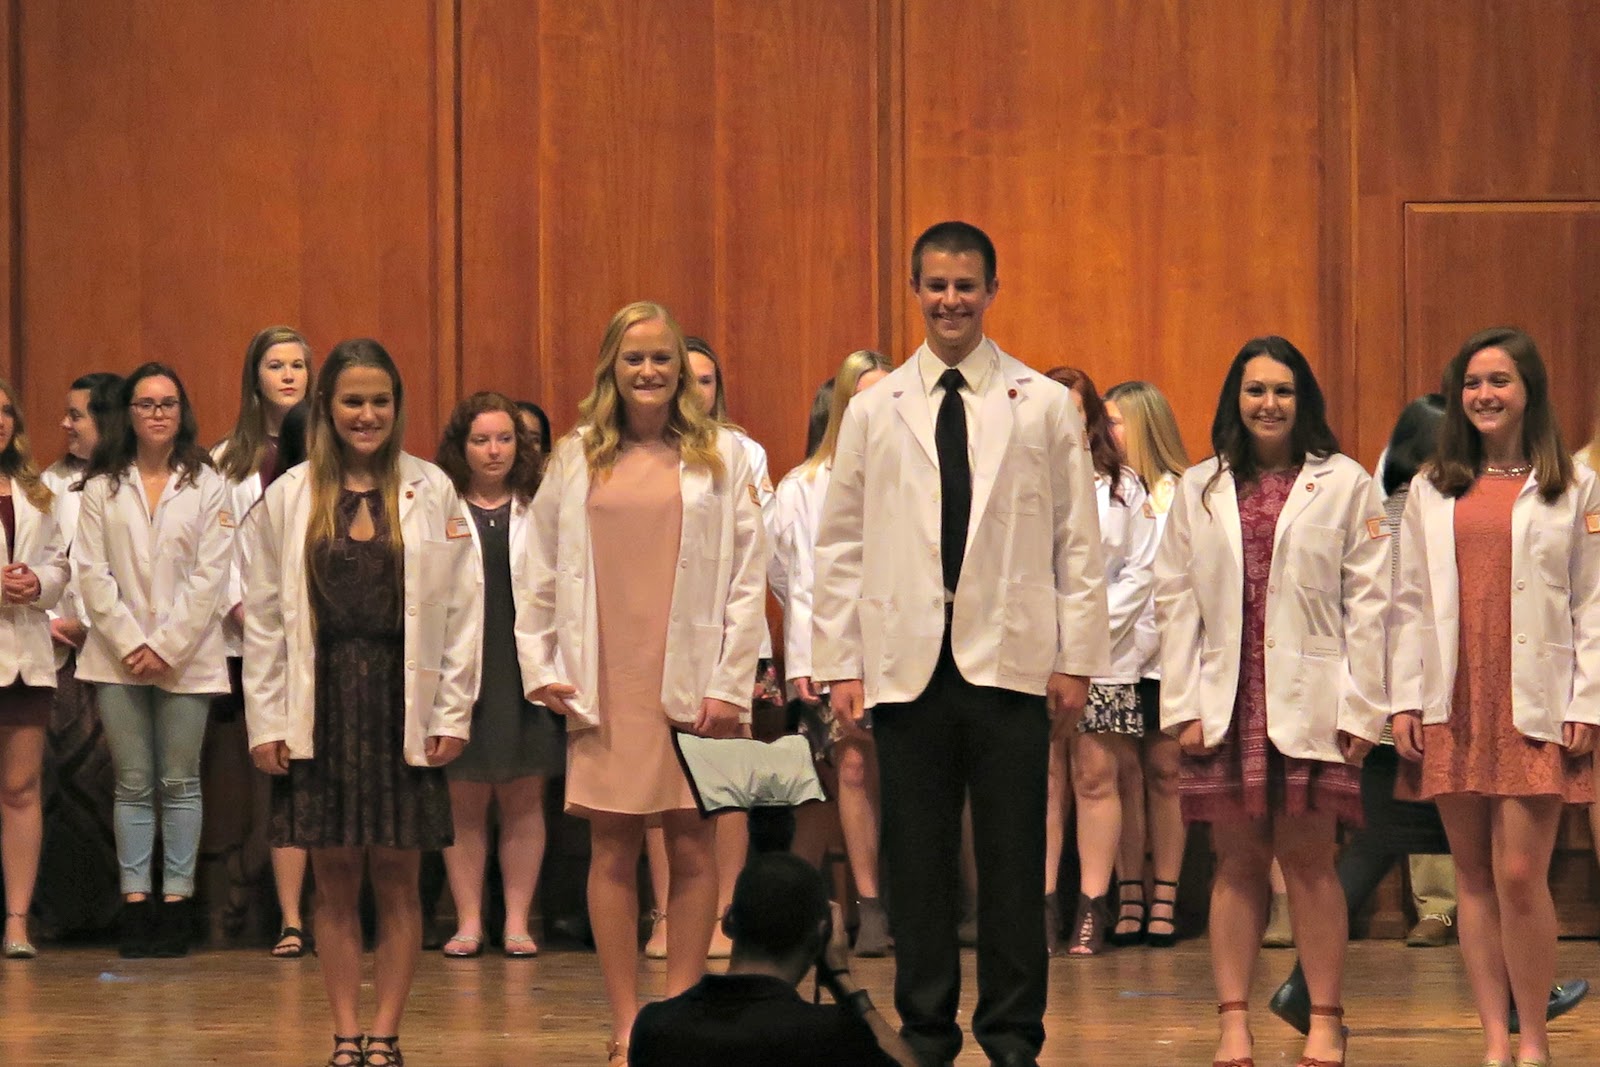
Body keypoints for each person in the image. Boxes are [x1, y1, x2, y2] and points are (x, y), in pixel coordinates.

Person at [812, 220, 1111, 1067]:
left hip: (1011, 664)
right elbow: (838, 545)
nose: (951, 299)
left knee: (1015, 862)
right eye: (936, 285)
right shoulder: (874, 409)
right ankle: (927, 1029)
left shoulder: (1042, 404)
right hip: (907, 664)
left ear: (992, 290)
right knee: (919, 861)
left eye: (966, 285)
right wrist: (841, 663)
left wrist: (1075, 657)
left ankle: (1014, 1034)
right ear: (915, 290)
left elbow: (1076, 541)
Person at [1270, 392, 1590, 1038]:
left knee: (1489, 866)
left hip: (1442, 709)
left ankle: (1520, 1005)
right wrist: (1395, 704)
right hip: (1413, 715)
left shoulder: (1526, 494)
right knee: (1461, 863)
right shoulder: (1411, 507)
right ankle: (1309, 985)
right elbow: (1396, 612)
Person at [516, 301, 767, 1066]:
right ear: (611, 370)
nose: (650, 371)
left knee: (692, 843)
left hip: (691, 676)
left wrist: (731, 682)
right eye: (634, 359)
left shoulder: (726, 455)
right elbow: (537, 571)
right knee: (612, 844)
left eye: (662, 357)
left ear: (682, 370)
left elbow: (748, 579)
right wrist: (545, 666)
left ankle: (683, 1013)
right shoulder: (574, 456)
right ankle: (629, 1020)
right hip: (604, 674)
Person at [243, 339, 482, 1067]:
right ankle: (344, 1034)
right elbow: (260, 618)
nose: (367, 414)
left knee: (400, 876)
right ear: (326, 408)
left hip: (399, 697)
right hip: (321, 702)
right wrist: (267, 718)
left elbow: (466, 610)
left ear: (397, 407)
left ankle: (387, 1033)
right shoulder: (287, 497)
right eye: (353, 400)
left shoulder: (433, 489)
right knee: (334, 874)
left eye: (381, 400)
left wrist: (452, 712)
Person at [1156, 336, 1389, 1067]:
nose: (1268, 403)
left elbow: (1374, 603)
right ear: (1235, 399)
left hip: (1312, 697)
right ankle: (1233, 1022)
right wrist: (1182, 702)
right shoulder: (1199, 487)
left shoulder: (1346, 482)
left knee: (1310, 860)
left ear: (1303, 400)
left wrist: (1363, 707)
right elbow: (1173, 601)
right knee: (1235, 862)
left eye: (1282, 390)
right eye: (1255, 390)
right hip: (1225, 698)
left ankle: (1325, 1016)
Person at [1390, 327, 1599, 1067]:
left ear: (1529, 391)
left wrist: (1588, 701)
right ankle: (1492, 1041)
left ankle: (1535, 1037)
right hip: (1454, 693)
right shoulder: (1430, 486)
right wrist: (1404, 698)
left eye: (1500, 380)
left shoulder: (1574, 485)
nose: (1484, 393)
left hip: (1536, 696)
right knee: (1471, 876)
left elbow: (1593, 599)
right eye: (1473, 381)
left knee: (1519, 874)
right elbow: (1408, 600)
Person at [73, 363, 232, 959]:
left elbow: (213, 573)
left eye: (168, 402)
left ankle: (178, 902)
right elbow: (91, 571)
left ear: (182, 410)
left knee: (180, 781)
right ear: (129, 414)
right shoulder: (101, 485)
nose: (158, 413)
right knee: (134, 782)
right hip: (115, 658)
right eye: (145, 403)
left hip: (187, 657)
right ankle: (136, 903)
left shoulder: (206, 482)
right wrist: (129, 641)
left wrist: (164, 645)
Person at [640, 334, 775, 961]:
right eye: (684, 377)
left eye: (705, 380)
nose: (694, 390)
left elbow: (754, 552)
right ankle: (667, 912)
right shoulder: (640, 450)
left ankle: (724, 911)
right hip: (653, 635)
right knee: (654, 784)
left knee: (724, 785)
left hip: (729, 637)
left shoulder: (742, 452)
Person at [434, 391, 564, 959]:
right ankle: (468, 920)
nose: (494, 451)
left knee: (523, 796)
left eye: (505, 439)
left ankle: (516, 920)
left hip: (524, 665)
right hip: (460, 664)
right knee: (462, 798)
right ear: (462, 447)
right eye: (482, 440)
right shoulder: (437, 504)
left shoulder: (542, 504)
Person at [774, 350, 893, 956]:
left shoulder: (915, 472)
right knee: (849, 767)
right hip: (837, 650)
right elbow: (791, 577)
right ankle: (868, 906)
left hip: (906, 645)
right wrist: (805, 661)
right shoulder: (805, 485)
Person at [1041, 367, 1157, 958]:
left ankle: (1092, 906)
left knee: (1095, 775)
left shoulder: (1123, 485)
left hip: (1104, 652)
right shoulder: (1017, 479)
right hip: (1033, 648)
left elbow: (1140, 570)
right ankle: (1041, 906)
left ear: (1090, 417)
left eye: (1075, 408)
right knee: (1045, 782)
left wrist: (1085, 632)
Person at [215, 325, 316, 959]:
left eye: (298, 365)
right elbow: (219, 544)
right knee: (270, 771)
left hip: (322, 630)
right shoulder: (228, 459)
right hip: (250, 633)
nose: (287, 375)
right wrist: (238, 603)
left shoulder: (335, 449)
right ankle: (278, 907)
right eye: (275, 365)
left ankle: (311, 904)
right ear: (254, 377)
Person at [628, 852, 916, 1067]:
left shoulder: (656, 1027)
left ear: (728, 921)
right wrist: (842, 978)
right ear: (824, 934)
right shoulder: (829, 1035)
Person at [1100, 380, 1189, 948]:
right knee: (1122, 778)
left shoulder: (1184, 492)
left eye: (1116, 422)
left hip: (1168, 659)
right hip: (1113, 657)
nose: (1106, 433)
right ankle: (1127, 892)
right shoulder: (1105, 492)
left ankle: (1167, 896)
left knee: (1165, 775)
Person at [0, 378, 71, 959]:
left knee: (21, 789)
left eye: (5, 411)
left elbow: (60, 567)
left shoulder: (36, 491)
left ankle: (17, 922)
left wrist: (37, 584)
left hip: (24, 656)